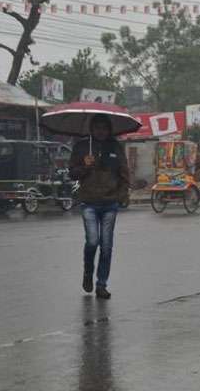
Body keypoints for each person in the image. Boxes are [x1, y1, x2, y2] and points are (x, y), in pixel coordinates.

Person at [69, 114, 130, 299]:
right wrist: (85, 166)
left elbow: (124, 174)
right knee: (92, 242)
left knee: (106, 246)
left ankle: (101, 284)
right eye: (97, 127)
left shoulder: (116, 147)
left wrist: (121, 195)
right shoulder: (81, 147)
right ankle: (88, 272)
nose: (101, 131)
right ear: (92, 129)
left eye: (104, 127)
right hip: (89, 202)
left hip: (110, 203)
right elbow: (72, 174)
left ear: (109, 129)